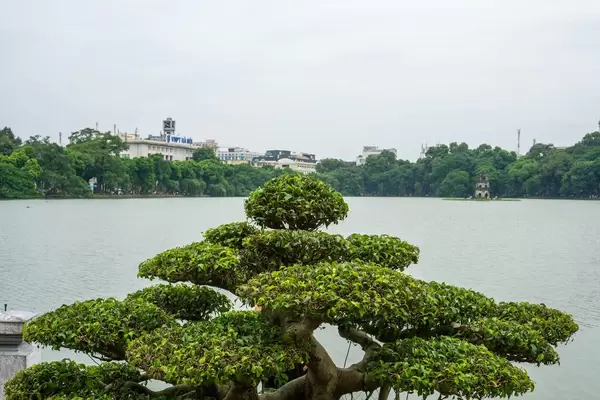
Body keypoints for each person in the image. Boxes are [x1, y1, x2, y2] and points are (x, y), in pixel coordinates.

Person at [254, 304, 308, 389]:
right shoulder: (263, 329)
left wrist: (306, 366)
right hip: (273, 372)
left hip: (292, 372)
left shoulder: (292, 327)